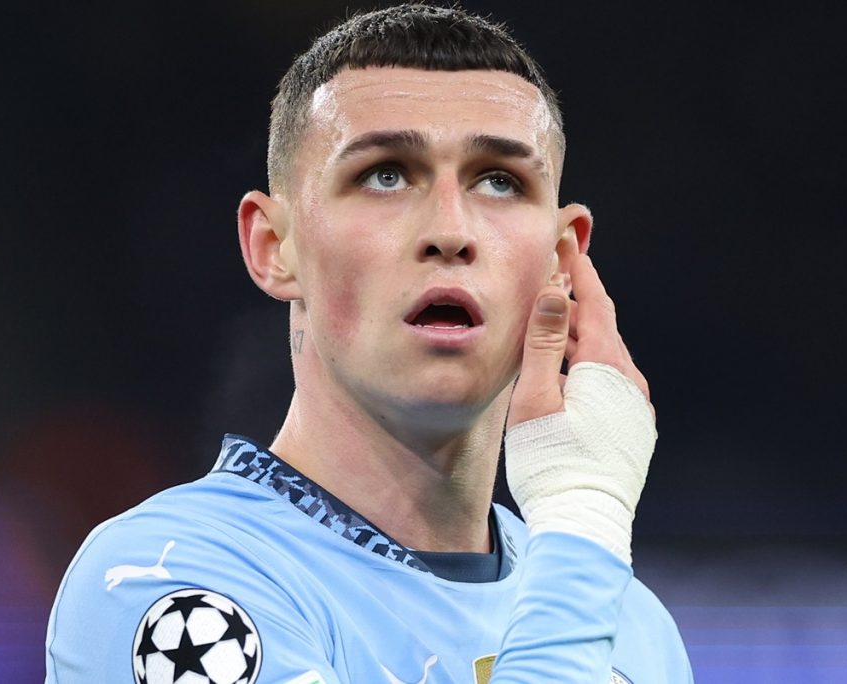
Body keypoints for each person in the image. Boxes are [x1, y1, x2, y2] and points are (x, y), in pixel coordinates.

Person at [45, 4, 693, 683]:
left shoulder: (633, 632)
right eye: (385, 174)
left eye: (500, 181)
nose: (450, 229)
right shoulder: (168, 584)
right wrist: (584, 510)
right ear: (274, 247)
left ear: (563, 258)